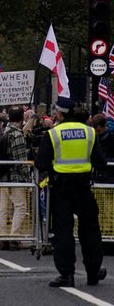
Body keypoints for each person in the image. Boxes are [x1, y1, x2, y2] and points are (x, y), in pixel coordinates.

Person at [34, 97, 107, 288]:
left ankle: (66, 274)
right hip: (83, 187)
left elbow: (40, 163)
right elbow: (101, 163)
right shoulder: (90, 132)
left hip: (61, 188)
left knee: (63, 231)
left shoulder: (53, 134)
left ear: (59, 113)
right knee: (90, 230)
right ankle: (93, 272)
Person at [0, 106, 31, 251]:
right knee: (21, 207)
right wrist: (28, 177)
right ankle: (15, 238)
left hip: (3, 175)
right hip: (15, 177)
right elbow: (20, 160)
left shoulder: (4, 131)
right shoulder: (17, 134)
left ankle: (2, 238)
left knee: (3, 208)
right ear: (22, 118)